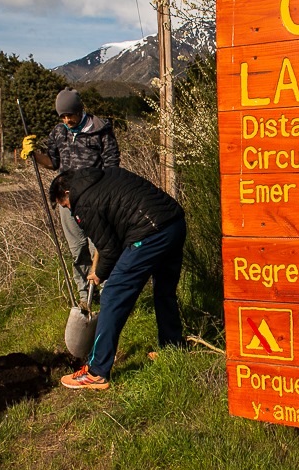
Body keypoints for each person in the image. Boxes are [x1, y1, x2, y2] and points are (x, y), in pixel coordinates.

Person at [49, 166, 186, 390]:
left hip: (149, 233)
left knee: (112, 295)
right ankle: (173, 347)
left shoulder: (83, 202)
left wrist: (100, 274)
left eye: (65, 206)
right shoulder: (104, 175)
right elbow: (114, 229)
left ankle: (96, 371)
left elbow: (109, 248)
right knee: (164, 291)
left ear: (66, 193)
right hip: (174, 223)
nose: (69, 210)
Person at [21, 88, 120, 308]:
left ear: (80, 110)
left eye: (70, 115)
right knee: (78, 251)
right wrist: (34, 154)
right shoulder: (58, 132)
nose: (67, 120)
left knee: (100, 248)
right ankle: (85, 297)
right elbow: (53, 163)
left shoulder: (100, 130)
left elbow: (112, 166)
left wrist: (106, 198)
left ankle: (107, 293)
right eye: (63, 116)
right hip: (67, 202)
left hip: (94, 202)